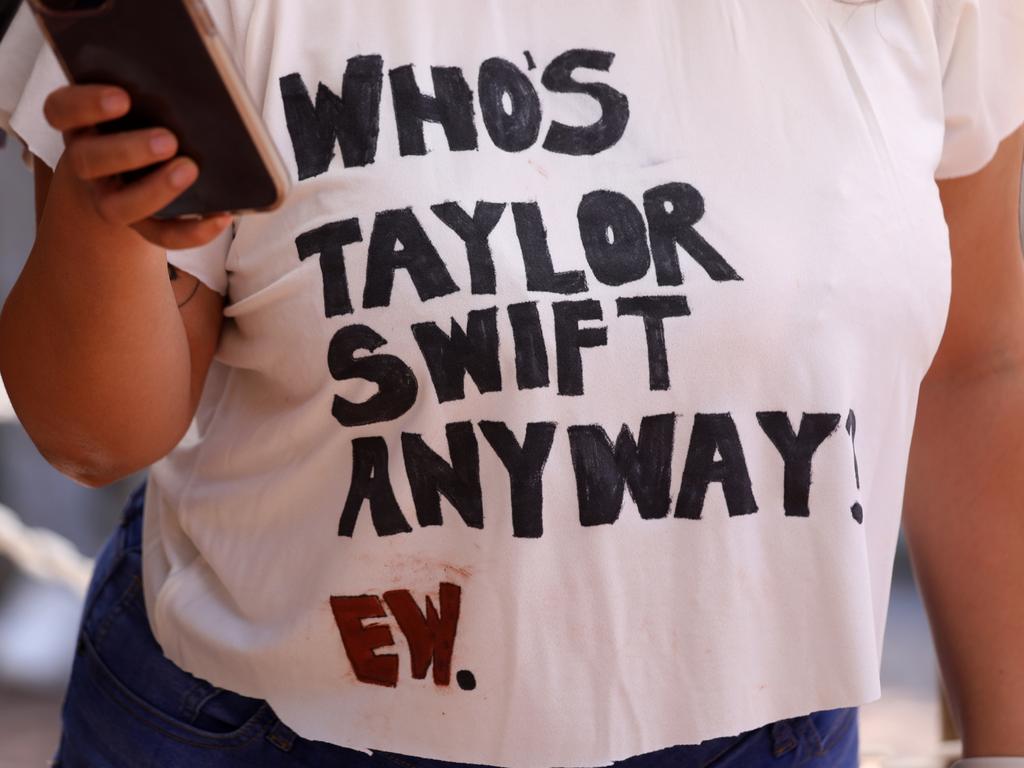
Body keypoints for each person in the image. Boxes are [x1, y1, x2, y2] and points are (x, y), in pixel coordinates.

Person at [0, 1, 1022, 766]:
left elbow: (979, 363)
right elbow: (92, 432)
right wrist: (108, 230)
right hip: (268, 726)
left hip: (757, 734)